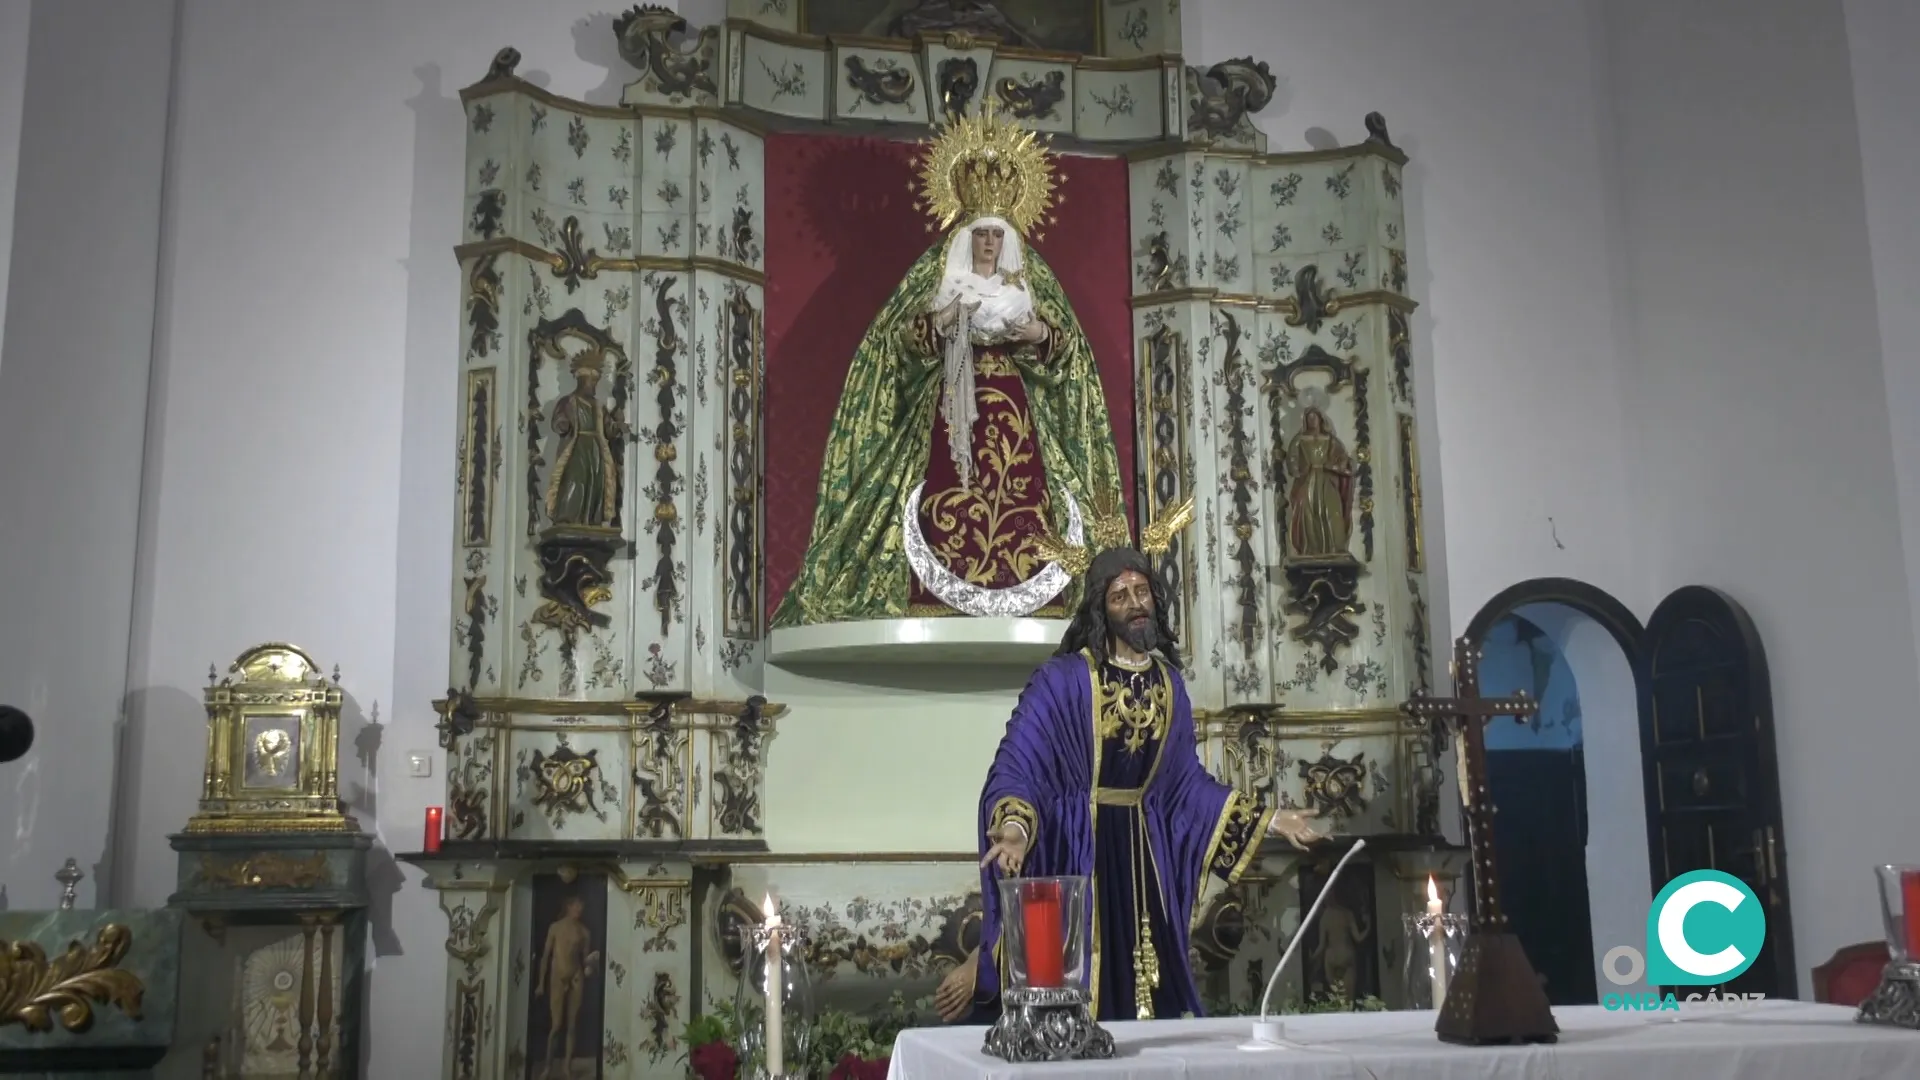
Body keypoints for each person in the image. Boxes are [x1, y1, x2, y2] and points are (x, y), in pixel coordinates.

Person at [933, 531, 1332, 1023]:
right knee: (1068, 1001)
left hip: (1143, 865)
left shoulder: (1168, 685)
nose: (1135, 604)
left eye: (1141, 592)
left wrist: (1272, 819)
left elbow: (1186, 786)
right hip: (1075, 854)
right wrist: (1015, 829)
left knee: (1151, 1001)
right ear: (1102, 609)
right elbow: (1019, 764)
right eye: (1120, 596)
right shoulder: (1063, 681)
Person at [772, 102, 1124, 627]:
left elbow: (1066, 351)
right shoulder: (937, 273)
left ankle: (1034, 590)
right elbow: (896, 343)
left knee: (1025, 497)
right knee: (947, 486)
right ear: (968, 234)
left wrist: (1038, 333)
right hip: (950, 400)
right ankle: (934, 586)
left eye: (996, 234)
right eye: (981, 233)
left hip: (1016, 404)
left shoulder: (1029, 278)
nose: (988, 242)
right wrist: (938, 325)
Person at [535, 893, 601, 1078]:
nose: (579, 910)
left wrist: (591, 966)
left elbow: (586, 960)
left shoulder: (584, 932)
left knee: (573, 1025)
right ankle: (548, 1066)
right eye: (576, 906)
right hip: (557, 977)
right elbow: (546, 957)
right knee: (556, 1025)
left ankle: (567, 1067)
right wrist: (541, 983)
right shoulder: (555, 928)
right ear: (569, 906)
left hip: (576, 977)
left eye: (582, 907)